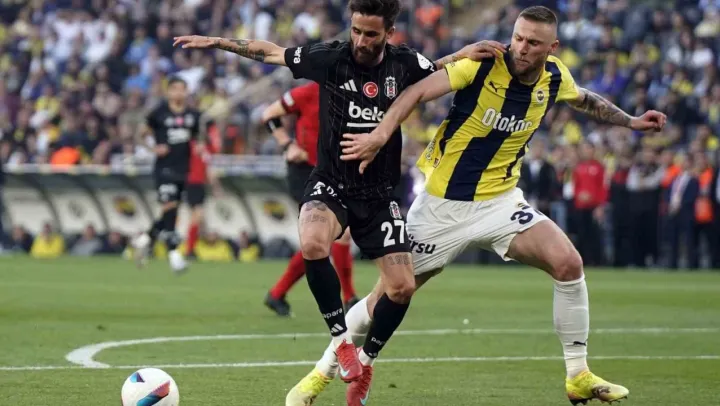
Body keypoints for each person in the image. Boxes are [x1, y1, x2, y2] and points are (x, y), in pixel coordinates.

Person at [293, 5, 667, 406]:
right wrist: (380, 134)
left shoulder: (555, 76)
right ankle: (321, 373)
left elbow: (584, 99)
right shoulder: (482, 64)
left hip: (500, 203)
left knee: (568, 264)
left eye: (533, 42)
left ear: (552, 47)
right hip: (441, 207)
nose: (521, 48)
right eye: (518, 38)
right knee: (383, 298)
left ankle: (577, 374)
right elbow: (416, 91)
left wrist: (631, 121)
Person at [173, 1, 502, 404]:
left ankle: (367, 362)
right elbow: (272, 52)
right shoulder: (330, 57)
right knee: (312, 242)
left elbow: (434, 68)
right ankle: (341, 341)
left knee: (401, 287)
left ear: (389, 32)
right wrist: (217, 42)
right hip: (331, 183)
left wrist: (462, 53)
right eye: (356, 30)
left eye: (371, 34)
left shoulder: (402, 63)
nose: (361, 41)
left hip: (379, 194)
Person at [261, 82, 359, 317]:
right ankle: (349, 298)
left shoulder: (356, 93)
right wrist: (288, 145)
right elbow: (269, 115)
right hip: (305, 170)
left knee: (321, 239)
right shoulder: (308, 91)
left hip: (335, 172)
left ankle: (277, 294)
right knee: (333, 234)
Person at [132, 77, 203, 273]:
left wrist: (199, 146)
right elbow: (140, 134)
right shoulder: (159, 113)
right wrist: (153, 149)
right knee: (169, 206)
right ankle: (174, 256)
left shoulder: (193, 115)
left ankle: (146, 238)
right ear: (168, 92)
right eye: (175, 89)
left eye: (182, 89)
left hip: (183, 168)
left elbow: (197, 137)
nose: (179, 93)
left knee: (171, 211)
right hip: (164, 168)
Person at [184, 137, 222, 258]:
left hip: (199, 186)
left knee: (197, 219)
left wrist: (216, 188)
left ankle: (191, 248)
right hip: (192, 185)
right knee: (197, 217)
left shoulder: (206, 153)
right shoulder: (189, 149)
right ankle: (190, 249)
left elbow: (209, 171)